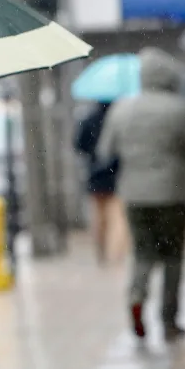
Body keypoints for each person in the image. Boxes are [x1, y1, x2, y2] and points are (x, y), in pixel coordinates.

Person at [97, 47, 185, 343]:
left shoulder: (122, 108)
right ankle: (169, 321)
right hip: (171, 194)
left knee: (143, 253)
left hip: (134, 194)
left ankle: (136, 297)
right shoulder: (180, 108)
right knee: (172, 257)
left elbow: (106, 151)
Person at [74, 101, 119, 264]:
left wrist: (93, 155)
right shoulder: (117, 117)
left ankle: (101, 250)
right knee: (116, 215)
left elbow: (78, 144)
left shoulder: (89, 119)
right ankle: (115, 254)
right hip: (117, 173)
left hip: (95, 172)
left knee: (98, 215)